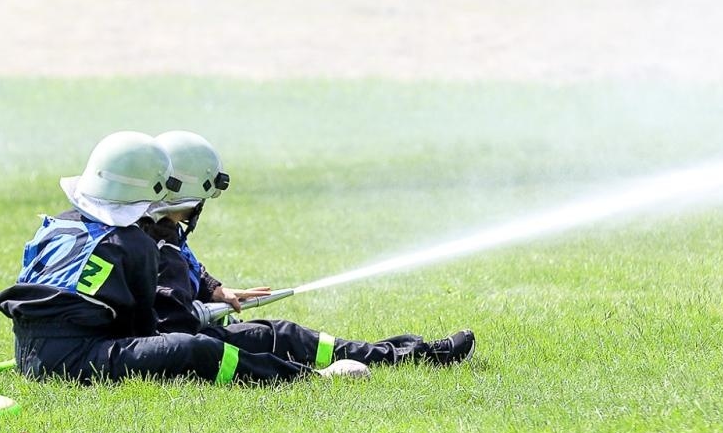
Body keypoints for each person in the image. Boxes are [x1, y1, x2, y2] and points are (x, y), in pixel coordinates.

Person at [0, 132, 367, 384]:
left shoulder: (61, 223)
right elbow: (142, 331)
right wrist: (188, 328)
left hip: (27, 353)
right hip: (76, 362)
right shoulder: (132, 244)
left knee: (199, 341)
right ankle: (306, 379)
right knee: (195, 348)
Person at [139, 130, 475, 369]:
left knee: (282, 334)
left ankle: (411, 353)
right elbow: (174, 326)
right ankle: (412, 356)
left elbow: (186, 270)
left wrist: (214, 290)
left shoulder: (156, 229)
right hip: (182, 350)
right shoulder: (159, 243)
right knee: (283, 338)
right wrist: (201, 310)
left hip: (175, 344)